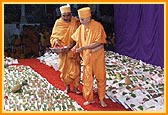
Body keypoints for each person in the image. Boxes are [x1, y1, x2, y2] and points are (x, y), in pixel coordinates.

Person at [71, 7, 107, 107]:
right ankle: (89, 98)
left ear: (89, 17)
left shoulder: (98, 26)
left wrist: (83, 48)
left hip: (97, 57)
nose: (81, 21)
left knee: (101, 78)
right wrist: (76, 47)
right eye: (80, 19)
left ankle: (101, 98)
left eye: (82, 19)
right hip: (87, 58)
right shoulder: (81, 27)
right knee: (87, 79)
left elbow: (98, 42)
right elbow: (78, 41)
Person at [50, 4, 81, 94]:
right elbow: (54, 36)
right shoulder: (58, 23)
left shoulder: (76, 22)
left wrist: (72, 46)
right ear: (61, 15)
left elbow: (80, 35)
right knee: (64, 70)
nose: (66, 17)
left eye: (68, 15)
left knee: (76, 70)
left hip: (74, 49)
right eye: (64, 16)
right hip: (63, 51)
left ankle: (75, 88)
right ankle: (67, 87)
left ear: (71, 14)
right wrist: (55, 41)